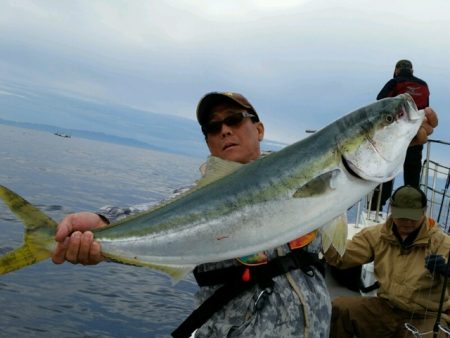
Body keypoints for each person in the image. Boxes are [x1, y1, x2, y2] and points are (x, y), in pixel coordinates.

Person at [51, 92, 439, 337]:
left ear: (259, 127)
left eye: (234, 120)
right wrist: (101, 226)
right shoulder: (200, 198)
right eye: (212, 127)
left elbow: (371, 162)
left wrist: (404, 135)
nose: (224, 131)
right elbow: (156, 212)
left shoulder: (321, 175)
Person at [325, 185, 450, 338]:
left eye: (413, 217)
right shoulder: (377, 234)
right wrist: (321, 234)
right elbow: (340, 257)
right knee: (340, 308)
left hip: (425, 316)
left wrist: (447, 271)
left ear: (424, 212)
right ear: (391, 210)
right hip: (385, 308)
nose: (407, 222)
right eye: (401, 216)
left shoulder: (443, 243)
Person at [371, 59, 431, 211]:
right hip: (415, 136)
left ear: (397, 69)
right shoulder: (423, 85)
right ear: (412, 69)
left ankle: (376, 208)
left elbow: (380, 101)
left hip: (395, 139)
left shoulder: (394, 82)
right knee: (412, 174)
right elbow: (426, 108)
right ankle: (413, 208)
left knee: (387, 171)